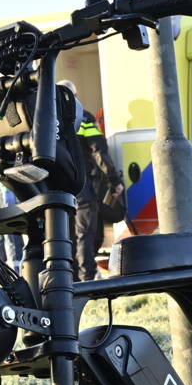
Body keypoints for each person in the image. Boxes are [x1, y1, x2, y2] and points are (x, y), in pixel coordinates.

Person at [58, 81, 123, 281]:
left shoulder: (49, 120)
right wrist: (114, 181)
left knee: (67, 235)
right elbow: (99, 151)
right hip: (82, 184)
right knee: (87, 235)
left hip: (58, 187)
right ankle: (86, 279)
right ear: (75, 96)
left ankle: (72, 278)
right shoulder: (84, 118)